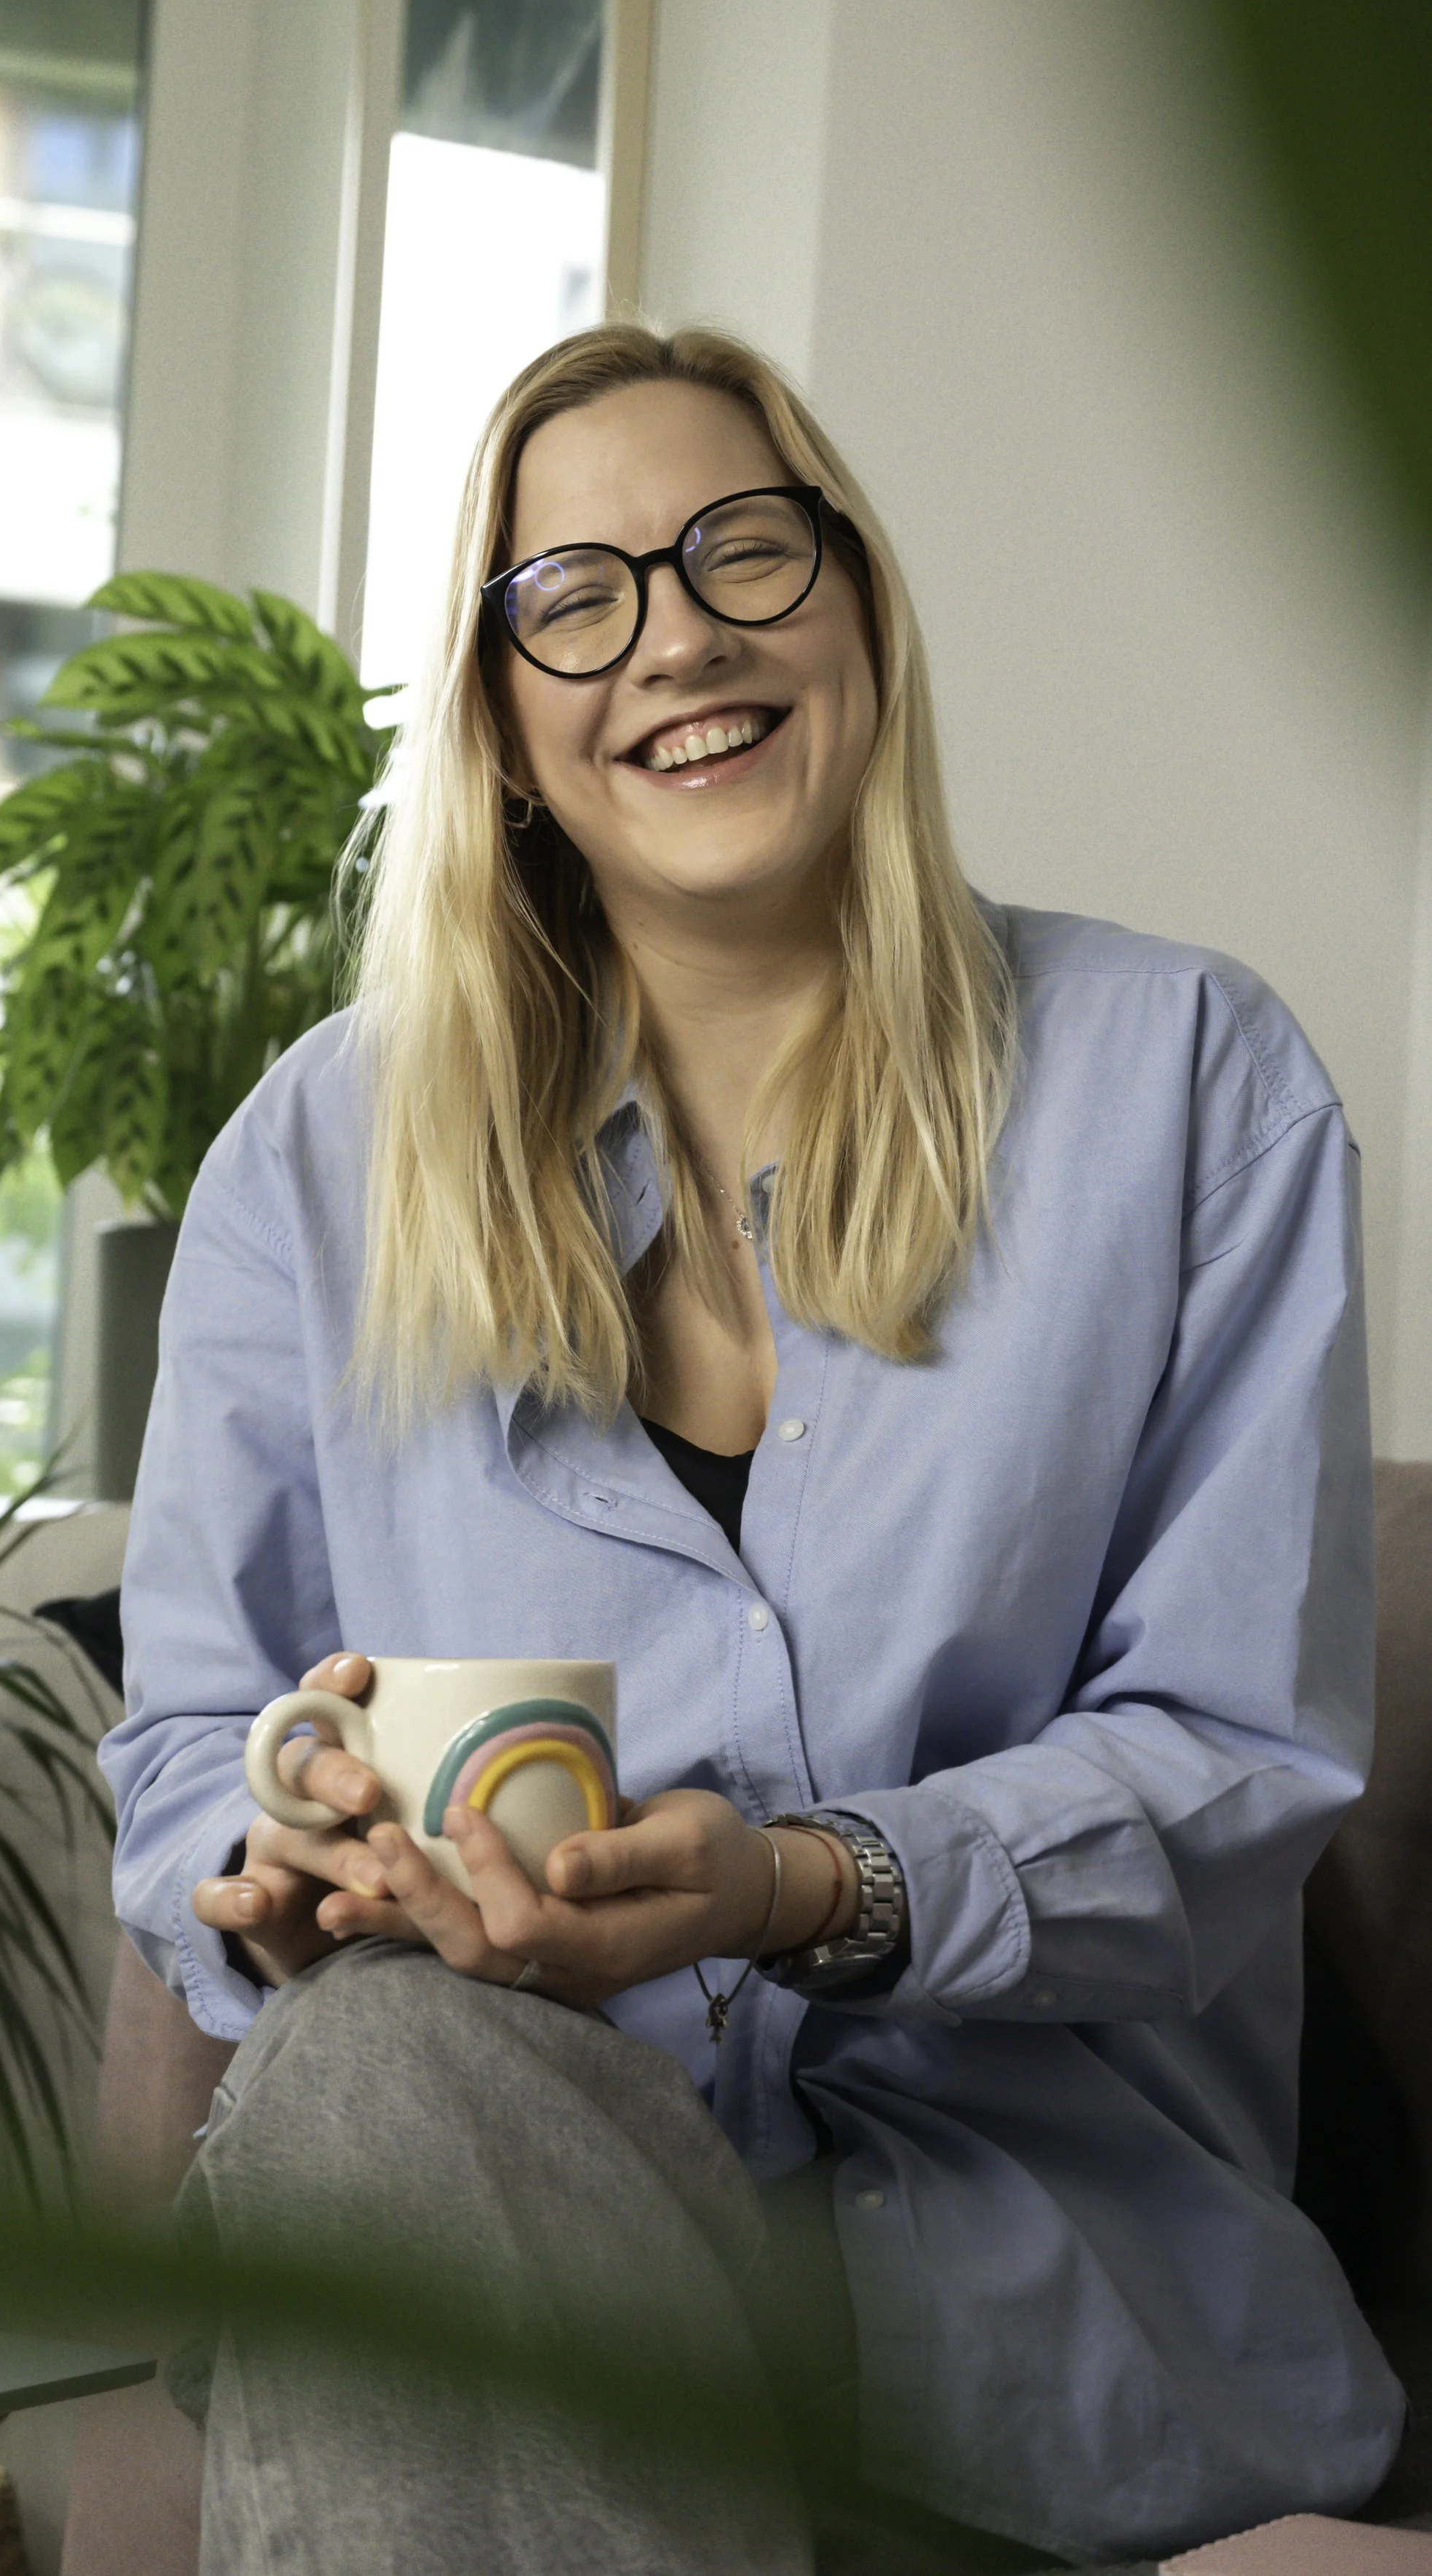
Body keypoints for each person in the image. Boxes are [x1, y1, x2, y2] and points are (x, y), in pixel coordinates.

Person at [102, 323, 1404, 2574]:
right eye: (576, 596)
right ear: (503, 723)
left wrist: (798, 1882)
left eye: (741, 550)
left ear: (859, 615)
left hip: (1040, 2346)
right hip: (504, 2269)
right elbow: (191, 1750)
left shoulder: (1187, 1087)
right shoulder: (319, 1156)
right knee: (389, 2069)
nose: (677, 633)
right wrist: (278, 1849)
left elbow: (1229, 1767)